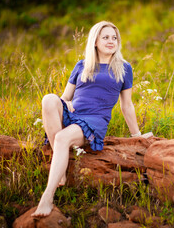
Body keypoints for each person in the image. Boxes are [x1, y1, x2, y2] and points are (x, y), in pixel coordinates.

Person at [31, 21, 141, 217]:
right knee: (49, 99)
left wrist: (137, 135)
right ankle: (60, 164)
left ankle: (47, 197)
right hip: (74, 114)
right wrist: (67, 104)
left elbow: (127, 105)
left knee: (62, 137)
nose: (111, 41)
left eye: (114, 38)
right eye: (106, 37)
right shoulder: (82, 65)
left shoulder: (124, 68)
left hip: (94, 121)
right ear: (95, 41)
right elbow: (65, 97)